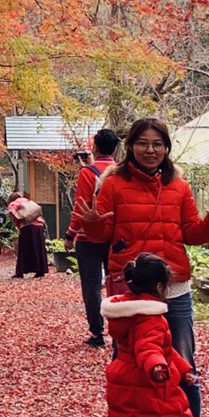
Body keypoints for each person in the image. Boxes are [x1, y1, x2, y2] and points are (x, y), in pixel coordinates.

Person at [79, 114, 209, 417]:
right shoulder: (112, 183)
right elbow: (103, 237)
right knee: (126, 362)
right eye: (143, 143)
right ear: (130, 146)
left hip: (173, 286)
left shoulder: (179, 186)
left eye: (157, 143)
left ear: (166, 148)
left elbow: (191, 233)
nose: (150, 150)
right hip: (131, 288)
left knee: (184, 361)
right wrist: (92, 223)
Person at [104, 252, 204, 417]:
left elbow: (166, 351)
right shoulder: (151, 319)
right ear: (160, 287)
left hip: (134, 381)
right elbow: (149, 349)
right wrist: (157, 368)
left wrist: (182, 370)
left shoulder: (128, 312)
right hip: (151, 383)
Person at [71, 128, 120, 348]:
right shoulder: (121, 172)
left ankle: (97, 332)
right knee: (116, 284)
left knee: (91, 286)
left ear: (95, 147)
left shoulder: (87, 173)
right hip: (114, 236)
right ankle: (120, 330)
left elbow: (80, 205)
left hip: (88, 238)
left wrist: (70, 233)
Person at [7, 190, 48, 278]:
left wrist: (18, 226)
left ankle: (20, 272)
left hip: (27, 226)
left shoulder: (13, 203)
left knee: (24, 249)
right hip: (39, 226)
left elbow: (12, 212)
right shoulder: (28, 201)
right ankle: (40, 270)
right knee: (38, 248)